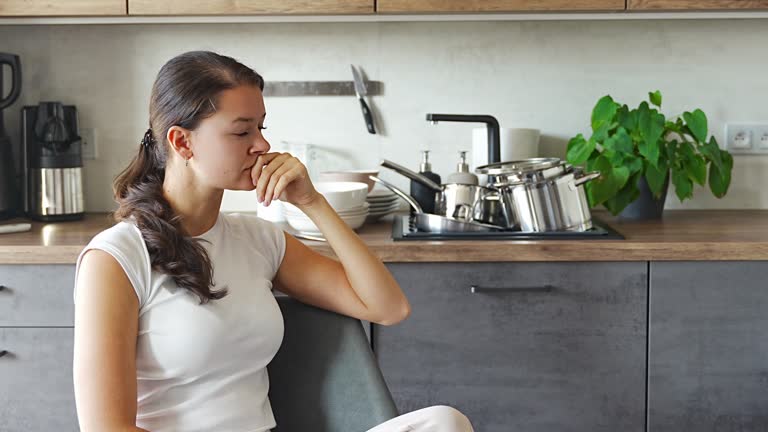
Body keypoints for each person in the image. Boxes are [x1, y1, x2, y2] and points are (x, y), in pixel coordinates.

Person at [72, 50, 475, 432]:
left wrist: (312, 202)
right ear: (182, 142)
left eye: (261, 127)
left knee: (443, 422)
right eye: (241, 131)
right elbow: (106, 427)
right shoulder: (117, 258)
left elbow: (387, 307)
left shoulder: (259, 240)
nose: (261, 145)